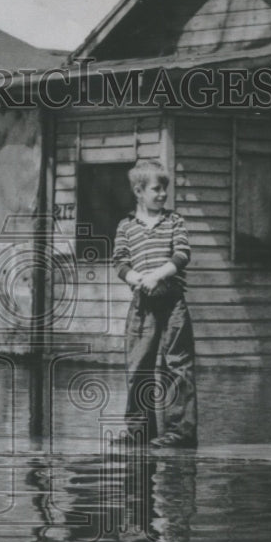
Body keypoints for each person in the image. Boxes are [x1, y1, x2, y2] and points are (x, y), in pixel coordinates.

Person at [112, 159, 198, 449]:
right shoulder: (126, 225)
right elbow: (120, 261)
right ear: (139, 191)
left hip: (172, 301)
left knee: (178, 367)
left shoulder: (174, 221)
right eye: (156, 189)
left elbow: (182, 255)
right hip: (142, 304)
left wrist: (158, 275)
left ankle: (179, 432)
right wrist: (136, 277)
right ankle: (139, 430)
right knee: (139, 367)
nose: (162, 195)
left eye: (165, 190)